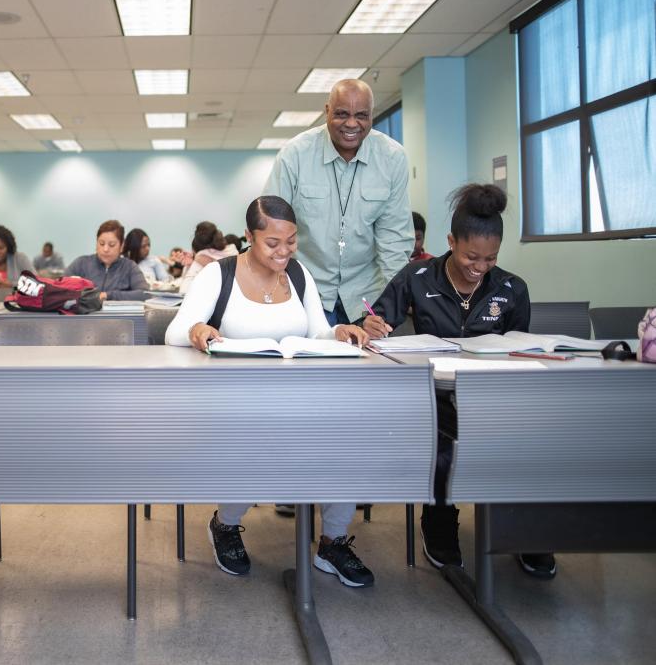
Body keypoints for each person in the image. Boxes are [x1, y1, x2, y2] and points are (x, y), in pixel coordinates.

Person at [165, 196, 373, 585]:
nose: (284, 251)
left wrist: (338, 332)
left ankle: (333, 541)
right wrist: (197, 330)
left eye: (291, 241)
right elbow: (174, 331)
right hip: (233, 404)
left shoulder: (298, 274)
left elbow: (317, 332)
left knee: (347, 441)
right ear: (248, 236)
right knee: (258, 443)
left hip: (299, 400)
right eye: (272, 243)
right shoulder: (219, 274)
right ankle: (225, 526)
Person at [361, 184, 554, 579]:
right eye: (470, 256)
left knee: (532, 440)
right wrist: (373, 325)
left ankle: (521, 527)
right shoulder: (416, 277)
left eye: (490, 258)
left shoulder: (512, 288)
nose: (479, 267)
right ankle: (439, 519)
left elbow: (518, 349)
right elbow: (376, 325)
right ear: (450, 242)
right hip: (434, 400)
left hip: (494, 399)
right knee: (441, 444)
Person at [263, 79, 413, 325]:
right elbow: (270, 229)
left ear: (371, 116)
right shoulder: (295, 155)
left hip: (367, 297)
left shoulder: (392, 158)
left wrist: (395, 302)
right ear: (327, 111)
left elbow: (394, 240)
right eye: (342, 114)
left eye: (361, 115)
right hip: (307, 292)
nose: (352, 124)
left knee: (370, 363)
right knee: (310, 362)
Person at [65, 220, 149, 301]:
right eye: (101, 243)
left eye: (111, 245)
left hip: (117, 315)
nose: (105, 249)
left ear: (122, 245)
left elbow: (144, 294)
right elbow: (59, 288)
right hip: (84, 315)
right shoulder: (81, 263)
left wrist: (108, 295)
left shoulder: (129, 267)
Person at [178, 221, 238, 295]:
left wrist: (193, 263)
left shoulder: (202, 256)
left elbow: (184, 290)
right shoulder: (233, 251)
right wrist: (191, 264)